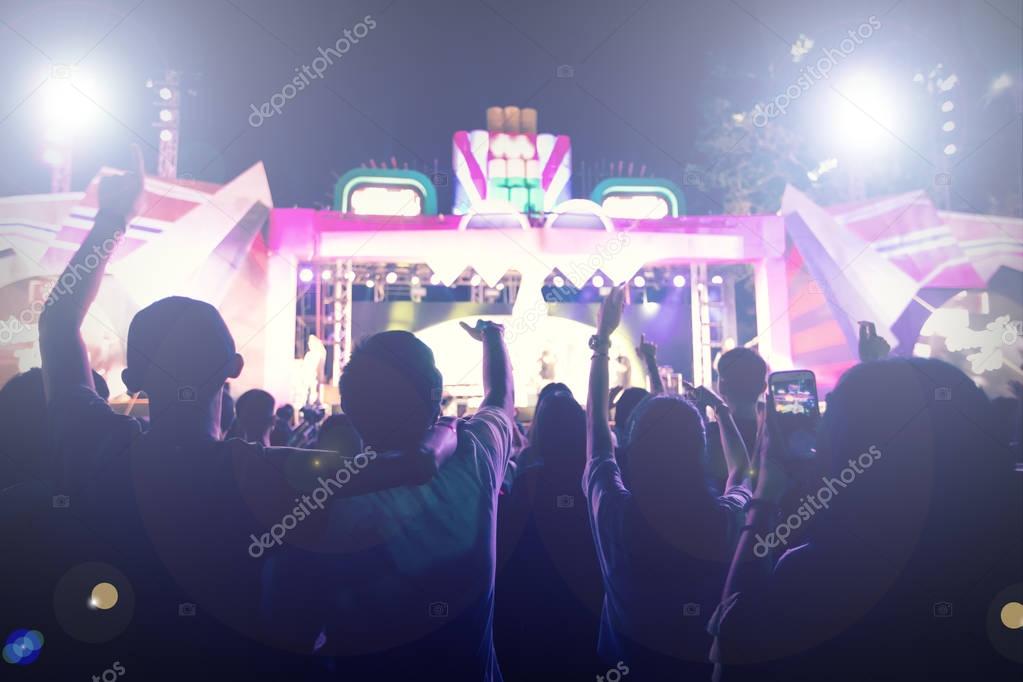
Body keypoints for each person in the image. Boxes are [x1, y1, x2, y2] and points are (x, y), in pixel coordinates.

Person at [30, 148, 459, 679]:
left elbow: (56, 322)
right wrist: (448, 430)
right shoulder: (254, 471)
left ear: (132, 380)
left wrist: (113, 217)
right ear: (232, 367)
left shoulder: (91, 438)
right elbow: (416, 466)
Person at [709, 358, 1020, 681]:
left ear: (842, 442)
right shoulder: (1004, 552)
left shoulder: (821, 572)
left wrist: (765, 499)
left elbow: (734, 653)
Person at [262, 320, 517, 680]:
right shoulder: (477, 454)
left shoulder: (322, 499)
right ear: (435, 394)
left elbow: (293, 631)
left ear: (349, 408)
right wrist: (493, 337)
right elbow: (500, 398)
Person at [585, 286, 753, 679]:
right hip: (696, 665)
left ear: (633, 449)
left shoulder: (614, 512)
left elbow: (596, 439)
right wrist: (721, 414)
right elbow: (742, 473)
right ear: (698, 451)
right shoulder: (721, 519)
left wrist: (602, 342)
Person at [495, 388, 603, 678]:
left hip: (538, 605)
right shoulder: (597, 481)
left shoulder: (530, 482)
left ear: (541, 431)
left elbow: (508, 546)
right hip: (589, 602)